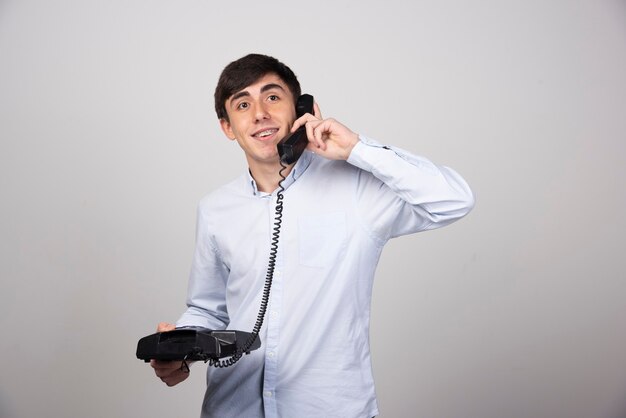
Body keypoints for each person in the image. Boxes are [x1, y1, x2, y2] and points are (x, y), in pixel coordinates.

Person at [149, 53, 474, 417]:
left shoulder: (357, 190)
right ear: (228, 127)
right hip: (232, 408)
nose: (259, 113)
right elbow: (208, 309)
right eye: (243, 103)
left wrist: (357, 149)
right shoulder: (215, 209)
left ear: (305, 109)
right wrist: (179, 348)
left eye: (272, 97)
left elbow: (454, 200)